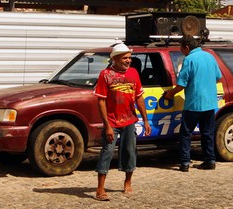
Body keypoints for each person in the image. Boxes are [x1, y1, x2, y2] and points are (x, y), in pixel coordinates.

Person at [93, 43, 151, 201]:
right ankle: (100, 189)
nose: (128, 61)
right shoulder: (105, 75)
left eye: (130, 58)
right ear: (116, 59)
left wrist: (145, 120)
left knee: (130, 152)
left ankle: (127, 182)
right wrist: (107, 126)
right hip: (112, 122)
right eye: (125, 58)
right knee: (107, 152)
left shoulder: (133, 73)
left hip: (129, 120)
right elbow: (101, 102)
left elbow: (139, 97)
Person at [164, 35, 222, 172]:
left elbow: (181, 84)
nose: (182, 52)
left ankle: (184, 163)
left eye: (182, 49)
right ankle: (210, 160)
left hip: (193, 104)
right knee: (207, 133)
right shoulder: (210, 57)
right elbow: (218, 77)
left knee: (186, 134)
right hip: (210, 103)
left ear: (187, 47)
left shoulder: (189, 59)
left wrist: (170, 94)